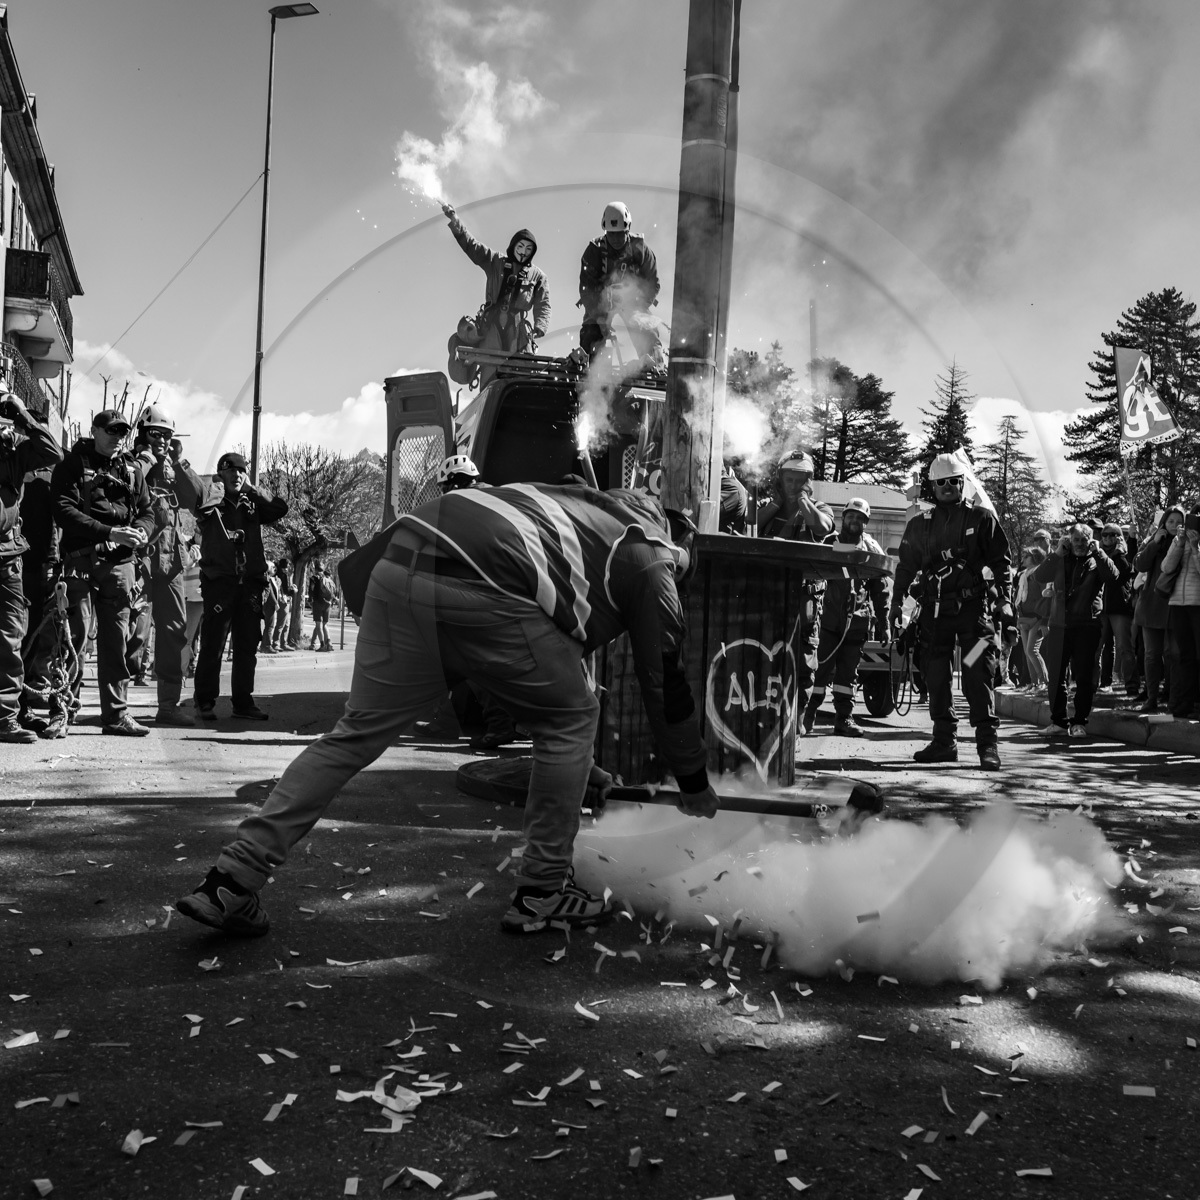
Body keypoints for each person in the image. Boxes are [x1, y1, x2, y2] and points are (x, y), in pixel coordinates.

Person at [176, 482, 719, 938]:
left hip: (400, 567)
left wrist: (579, 770)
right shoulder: (652, 556)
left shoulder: (581, 513)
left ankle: (231, 879)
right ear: (682, 535)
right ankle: (543, 892)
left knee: (355, 734)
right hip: (478, 584)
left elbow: (514, 665)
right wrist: (692, 780)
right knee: (572, 719)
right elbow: (664, 680)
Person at [890, 452, 1012, 770]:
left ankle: (987, 744)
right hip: (934, 617)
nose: (947, 487)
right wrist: (895, 605)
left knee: (977, 673)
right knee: (936, 676)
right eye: (940, 482)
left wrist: (1007, 601)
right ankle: (944, 742)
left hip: (974, 614)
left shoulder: (982, 519)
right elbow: (905, 569)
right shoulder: (920, 525)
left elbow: (1001, 563)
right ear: (933, 486)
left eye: (953, 481)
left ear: (962, 483)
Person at [52, 410, 155, 736]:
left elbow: (148, 512)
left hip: (120, 567)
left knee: (116, 644)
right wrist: (110, 533)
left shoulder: (132, 471)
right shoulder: (72, 464)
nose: (117, 436)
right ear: (94, 430)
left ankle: (116, 716)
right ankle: (63, 713)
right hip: (80, 563)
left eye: (122, 431)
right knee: (73, 639)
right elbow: (63, 511)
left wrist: (139, 530)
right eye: (110, 430)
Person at [192, 451, 288, 721]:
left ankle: (243, 703)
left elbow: (280, 508)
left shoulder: (252, 502)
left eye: (241, 470)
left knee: (247, 646)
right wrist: (217, 489)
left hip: (251, 584)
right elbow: (200, 506)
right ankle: (205, 701)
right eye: (230, 470)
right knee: (214, 644)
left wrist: (254, 490)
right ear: (220, 473)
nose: (237, 474)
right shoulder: (212, 499)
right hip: (220, 582)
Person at [130, 405, 205, 726]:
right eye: (156, 434)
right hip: (140, 559)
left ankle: (168, 706)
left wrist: (179, 462)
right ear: (143, 434)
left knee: (174, 632)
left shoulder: (174, 468)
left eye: (167, 435)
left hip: (172, 562)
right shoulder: (131, 463)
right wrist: (146, 462)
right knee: (132, 631)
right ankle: (116, 706)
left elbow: (198, 498)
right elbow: (128, 487)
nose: (161, 440)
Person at [0, 392, 63, 743]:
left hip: (10, 556)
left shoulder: (16, 453)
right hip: (14, 556)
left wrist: (22, 415)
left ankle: (7, 717)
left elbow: (54, 452)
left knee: (12, 637)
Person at [757, 451, 834, 728]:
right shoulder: (768, 508)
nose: (792, 485)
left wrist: (804, 504)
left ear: (808, 480)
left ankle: (797, 722)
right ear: (780, 479)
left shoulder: (819, 508)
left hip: (805, 599)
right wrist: (774, 507)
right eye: (788, 479)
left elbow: (824, 528)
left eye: (799, 479)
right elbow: (748, 527)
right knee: (764, 654)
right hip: (768, 595)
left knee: (803, 661)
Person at [803, 498, 889, 737]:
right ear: (843, 519)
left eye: (860, 518)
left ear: (865, 523)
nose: (855, 521)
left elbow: (880, 587)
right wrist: (858, 552)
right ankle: (807, 716)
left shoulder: (871, 548)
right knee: (818, 671)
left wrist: (883, 622)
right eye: (851, 516)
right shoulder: (830, 543)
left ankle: (844, 719)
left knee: (847, 676)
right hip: (828, 622)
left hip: (856, 623)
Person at [442, 205, 549, 387]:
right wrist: (454, 220)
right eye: (520, 246)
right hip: (491, 324)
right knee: (490, 370)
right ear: (513, 246)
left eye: (528, 249)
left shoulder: (538, 276)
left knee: (520, 372)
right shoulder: (495, 261)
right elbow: (471, 246)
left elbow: (543, 304)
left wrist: (540, 326)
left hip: (518, 329)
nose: (523, 252)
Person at [1032, 523, 1119, 737]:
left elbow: (1113, 577)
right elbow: (1040, 576)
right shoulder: (1060, 557)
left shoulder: (1096, 560)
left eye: (1084, 540)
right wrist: (1055, 553)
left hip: (1087, 626)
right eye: (1076, 540)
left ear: (1091, 540)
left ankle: (1079, 722)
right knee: (1056, 676)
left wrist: (1098, 552)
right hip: (1060, 625)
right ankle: (1059, 722)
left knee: (1083, 677)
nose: (1080, 544)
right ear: (1069, 541)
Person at [578, 201, 662, 364]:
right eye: (611, 233)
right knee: (592, 329)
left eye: (620, 233)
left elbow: (652, 283)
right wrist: (598, 314)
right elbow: (586, 288)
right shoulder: (594, 251)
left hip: (633, 302)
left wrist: (639, 304)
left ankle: (654, 361)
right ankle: (589, 363)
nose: (615, 238)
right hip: (600, 302)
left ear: (628, 229)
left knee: (645, 326)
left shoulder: (640, 250)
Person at [1133, 507, 1184, 713]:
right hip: (1152, 605)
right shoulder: (1154, 540)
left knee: (1173, 654)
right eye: (1170, 521)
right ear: (1164, 522)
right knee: (1151, 654)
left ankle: (1171, 698)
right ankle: (1151, 697)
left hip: (1175, 605)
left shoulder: (1186, 542)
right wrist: (1154, 542)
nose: (1174, 526)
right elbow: (1139, 565)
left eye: (1178, 522)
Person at [1160, 507, 1200, 720]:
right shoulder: (1180, 540)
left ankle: (1196, 702)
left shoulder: (1196, 543)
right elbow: (1166, 568)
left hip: (1197, 605)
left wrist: (1195, 547)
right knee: (1184, 655)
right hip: (1177, 603)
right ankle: (1184, 704)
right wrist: (1180, 543)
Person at [1096, 521, 1137, 699]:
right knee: (1096, 648)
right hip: (1101, 609)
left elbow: (1123, 575)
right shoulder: (1098, 555)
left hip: (1119, 608)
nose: (1107, 538)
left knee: (1124, 648)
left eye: (1112, 534)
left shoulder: (1125, 555)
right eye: (1104, 535)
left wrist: (1120, 552)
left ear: (1119, 536)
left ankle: (1132, 687)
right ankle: (1094, 685)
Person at [1013, 546, 1050, 695]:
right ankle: (1034, 683)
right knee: (1027, 652)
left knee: (1031, 650)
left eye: (1026, 557)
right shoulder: (1023, 575)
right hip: (1024, 617)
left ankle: (1044, 682)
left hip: (1037, 618)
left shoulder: (1040, 574)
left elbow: (1046, 596)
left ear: (1034, 558)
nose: (1023, 559)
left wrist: (1043, 619)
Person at [308, 561, 334, 652]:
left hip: (318, 603)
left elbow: (311, 590)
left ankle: (322, 645)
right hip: (327, 603)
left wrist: (310, 600)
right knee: (325, 624)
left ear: (315, 569)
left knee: (318, 624)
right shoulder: (327, 578)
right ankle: (329, 644)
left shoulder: (313, 578)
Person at [270, 557, 294, 651]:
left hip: (282, 599)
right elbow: (286, 590)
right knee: (281, 622)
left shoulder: (279, 574)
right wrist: (293, 590)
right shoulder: (283, 575)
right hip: (283, 600)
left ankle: (283, 643)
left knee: (286, 623)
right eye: (288, 565)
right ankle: (276, 643)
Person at [259, 560, 280, 654]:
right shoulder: (267, 577)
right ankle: (267, 645)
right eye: (272, 567)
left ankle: (264, 645)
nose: (274, 569)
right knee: (270, 625)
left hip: (268, 604)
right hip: (269, 605)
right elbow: (270, 592)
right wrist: (275, 603)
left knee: (269, 625)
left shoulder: (270, 578)